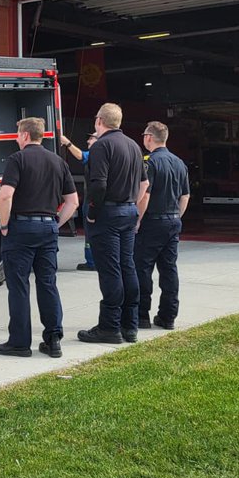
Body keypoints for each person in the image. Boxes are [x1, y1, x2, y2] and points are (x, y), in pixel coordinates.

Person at [0, 117, 79, 359]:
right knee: (47, 283)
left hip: (20, 229)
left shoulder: (17, 160)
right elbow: (73, 201)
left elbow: (5, 196)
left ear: (26, 135)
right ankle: (53, 340)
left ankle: (19, 343)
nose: (16, 138)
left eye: (18, 134)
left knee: (19, 286)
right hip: (48, 229)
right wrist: (56, 223)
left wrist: (4, 224)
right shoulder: (58, 162)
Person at [78, 102, 149, 345]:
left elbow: (98, 184)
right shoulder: (133, 146)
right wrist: (131, 204)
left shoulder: (101, 146)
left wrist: (92, 213)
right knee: (127, 265)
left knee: (110, 270)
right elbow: (144, 183)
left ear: (99, 121)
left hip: (107, 213)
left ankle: (109, 326)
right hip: (128, 210)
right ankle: (130, 324)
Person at [135, 121, 191, 330]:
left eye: (144, 135)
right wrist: (176, 216)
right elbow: (185, 196)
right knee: (169, 270)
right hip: (173, 220)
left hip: (152, 222)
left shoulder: (149, 162)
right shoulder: (179, 163)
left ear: (149, 137)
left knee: (143, 269)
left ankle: (141, 315)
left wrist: (137, 220)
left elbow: (145, 195)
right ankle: (168, 316)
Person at [60, 132, 97, 271]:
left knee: (91, 231)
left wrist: (67, 143)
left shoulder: (96, 154)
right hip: (97, 199)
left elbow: (81, 156)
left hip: (93, 200)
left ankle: (92, 262)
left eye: (91, 138)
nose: (88, 141)